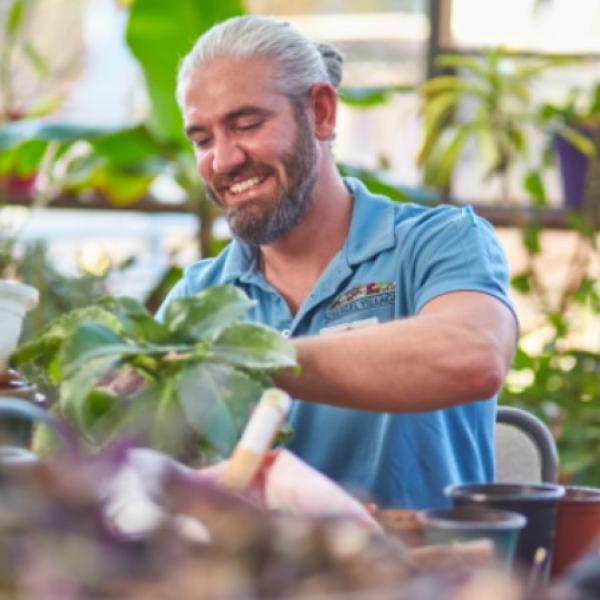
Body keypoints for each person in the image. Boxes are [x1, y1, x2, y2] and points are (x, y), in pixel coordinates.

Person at [158, 15, 519, 509]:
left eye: (246, 125)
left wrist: (247, 357)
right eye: (202, 140)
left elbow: (472, 355)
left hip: (421, 578)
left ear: (322, 113)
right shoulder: (198, 298)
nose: (222, 160)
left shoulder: (437, 243)